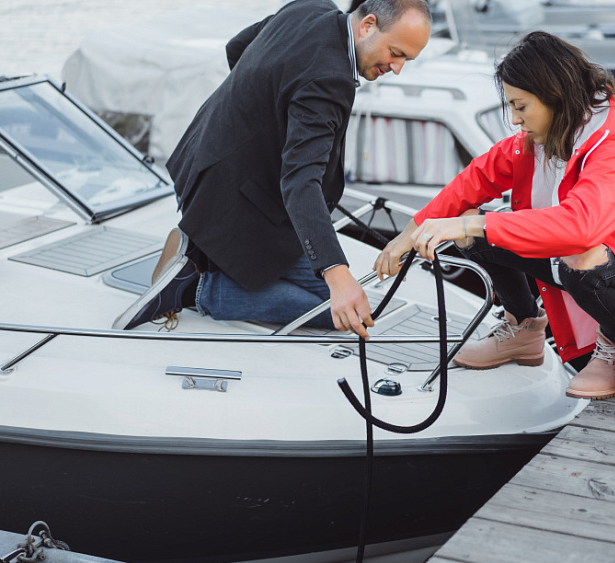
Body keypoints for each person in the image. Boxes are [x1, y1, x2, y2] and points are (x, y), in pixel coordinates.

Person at [374, 31, 615, 399]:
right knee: (471, 226)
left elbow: (580, 227)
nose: (514, 119)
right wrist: (411, 232)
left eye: (521, 106)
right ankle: (524, 328)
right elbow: (478, 176)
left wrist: (468, 222)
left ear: (554, 95)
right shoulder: (554, 133)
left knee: (575, 249)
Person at [112, 0, 432, 338]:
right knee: (347, 312)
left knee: (343, 301)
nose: (397, 68)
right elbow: (300, 181)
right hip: (234, 205)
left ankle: (200, 249)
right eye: (396, 53)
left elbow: (236, 47)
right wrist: (337, 274)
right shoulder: (329, 79)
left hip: (197, 160)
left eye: (407, 60)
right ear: (367, 25)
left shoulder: (311, 8)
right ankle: (200, 287)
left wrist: (258, 123)